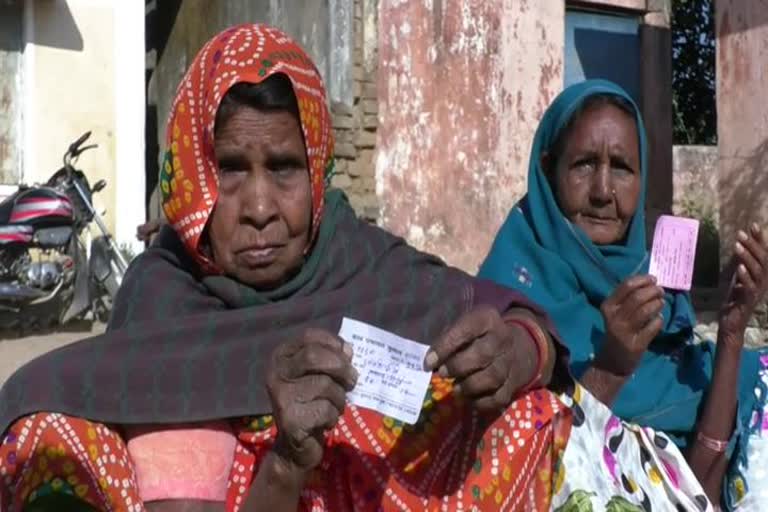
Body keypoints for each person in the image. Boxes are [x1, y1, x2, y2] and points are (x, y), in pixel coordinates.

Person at [0, 28, 709, 511]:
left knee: (523, 416)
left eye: (283, 170)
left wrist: (516, 351)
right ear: (189, 175)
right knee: (49, 442)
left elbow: (493, 309)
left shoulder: (359, 258)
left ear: (319, 174)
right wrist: (285, 459)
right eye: (229, 170)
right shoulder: (160, 293)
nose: (257, 208)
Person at [479, 79, 768, 509]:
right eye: (582, 165)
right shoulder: (509, 293)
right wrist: (609, 369)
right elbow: (519, 469)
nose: (602, 191)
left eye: (621, 168)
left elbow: (698, 483)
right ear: (547, 169)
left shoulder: (654, 292)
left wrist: (730, 331)